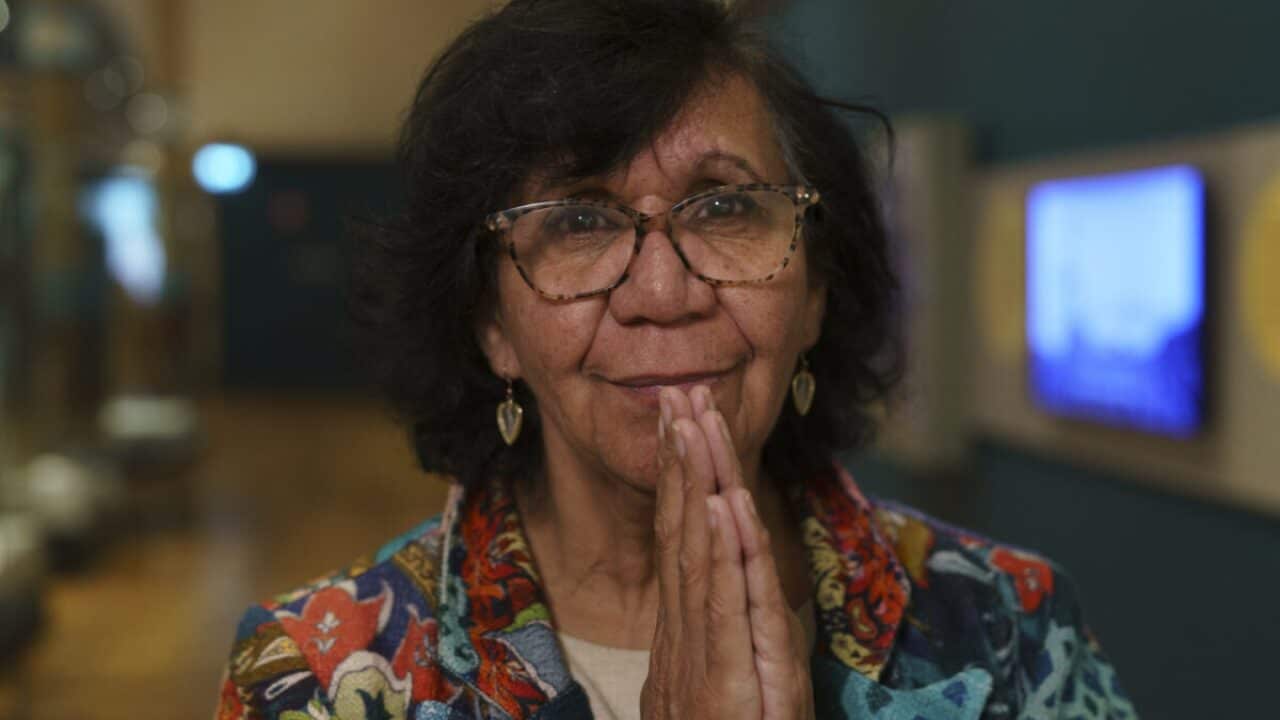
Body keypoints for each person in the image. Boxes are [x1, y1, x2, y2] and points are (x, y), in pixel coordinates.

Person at [216, 1, 1135, 718]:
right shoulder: (323, 677)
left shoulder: (1008, 628)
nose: (664, 292)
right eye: (579, 218)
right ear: (492, 325)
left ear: (815, 290)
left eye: (726, 208)